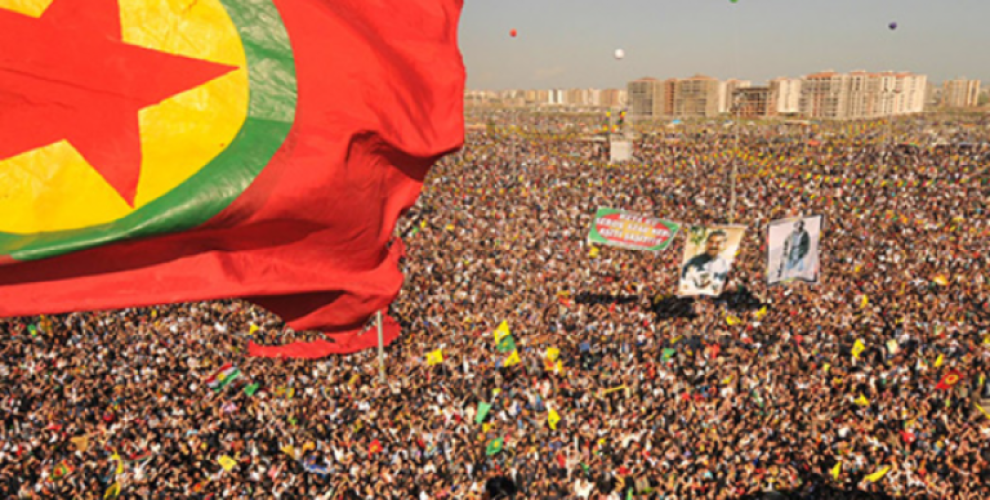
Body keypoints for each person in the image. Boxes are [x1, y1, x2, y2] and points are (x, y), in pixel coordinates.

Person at [680, 229, 730, 295]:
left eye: (718, 243)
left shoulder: (725, 266)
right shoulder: (693, 262)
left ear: (724, 245)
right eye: (711, 242)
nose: (713, 245)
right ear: (706, 243)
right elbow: (683, 282)